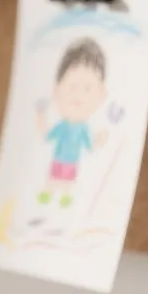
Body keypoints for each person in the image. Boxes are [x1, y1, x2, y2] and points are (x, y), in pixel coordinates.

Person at [36, 38, 108, 208]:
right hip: (58, 160)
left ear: (101, 93)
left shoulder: (83, 128)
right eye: (72, 87)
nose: (78, 96)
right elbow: (47, 135)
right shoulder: (63, 125)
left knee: (68, 182)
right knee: (53, 178)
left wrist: (100, 140)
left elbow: (90, 145)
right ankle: (48, 195)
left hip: (71, 162)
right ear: (56, 89)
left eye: (87, 88)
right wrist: (40, 119)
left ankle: (65, 198)